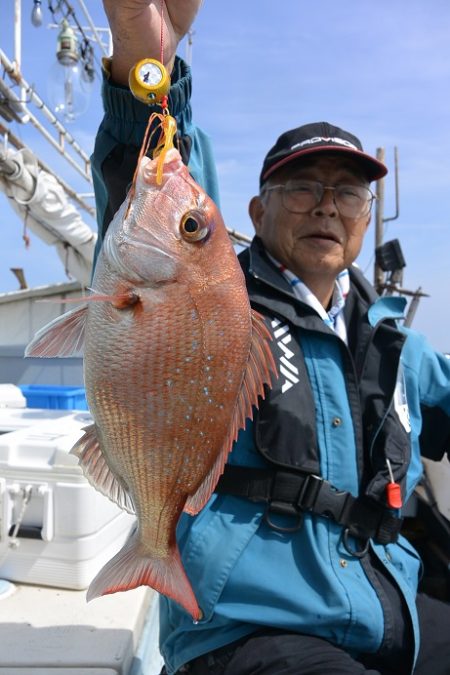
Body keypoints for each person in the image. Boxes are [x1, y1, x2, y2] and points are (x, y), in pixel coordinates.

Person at [93, 2, 450, 673]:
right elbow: (157, 162)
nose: (327, 205)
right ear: (256, 210)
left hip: (389, 606)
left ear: (366, 220)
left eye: (349, 194)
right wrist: (149, 65)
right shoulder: (219, 293)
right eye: (303, 186)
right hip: (247, 629)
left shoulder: (401, 342)